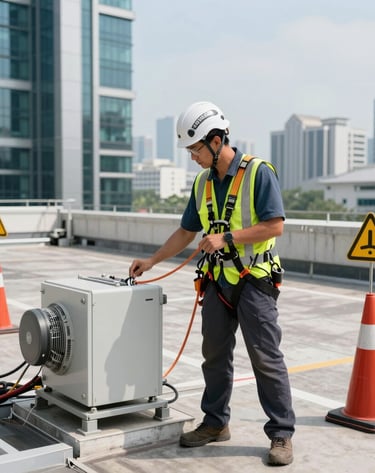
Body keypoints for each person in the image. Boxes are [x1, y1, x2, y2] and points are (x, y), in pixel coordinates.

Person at [129, 101, 295, 466]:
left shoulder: (258, 173)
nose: (192, 157)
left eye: (196, 149)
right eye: (190, 151)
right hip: (218, 282)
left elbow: (274, 225)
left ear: (217, 140)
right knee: (214, 357)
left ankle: (281, 432)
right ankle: (216, 423)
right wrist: (152, 260)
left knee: (266, 358)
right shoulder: (203, 183)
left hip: (255, 281)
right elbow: (186, 229)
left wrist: (227, 238)